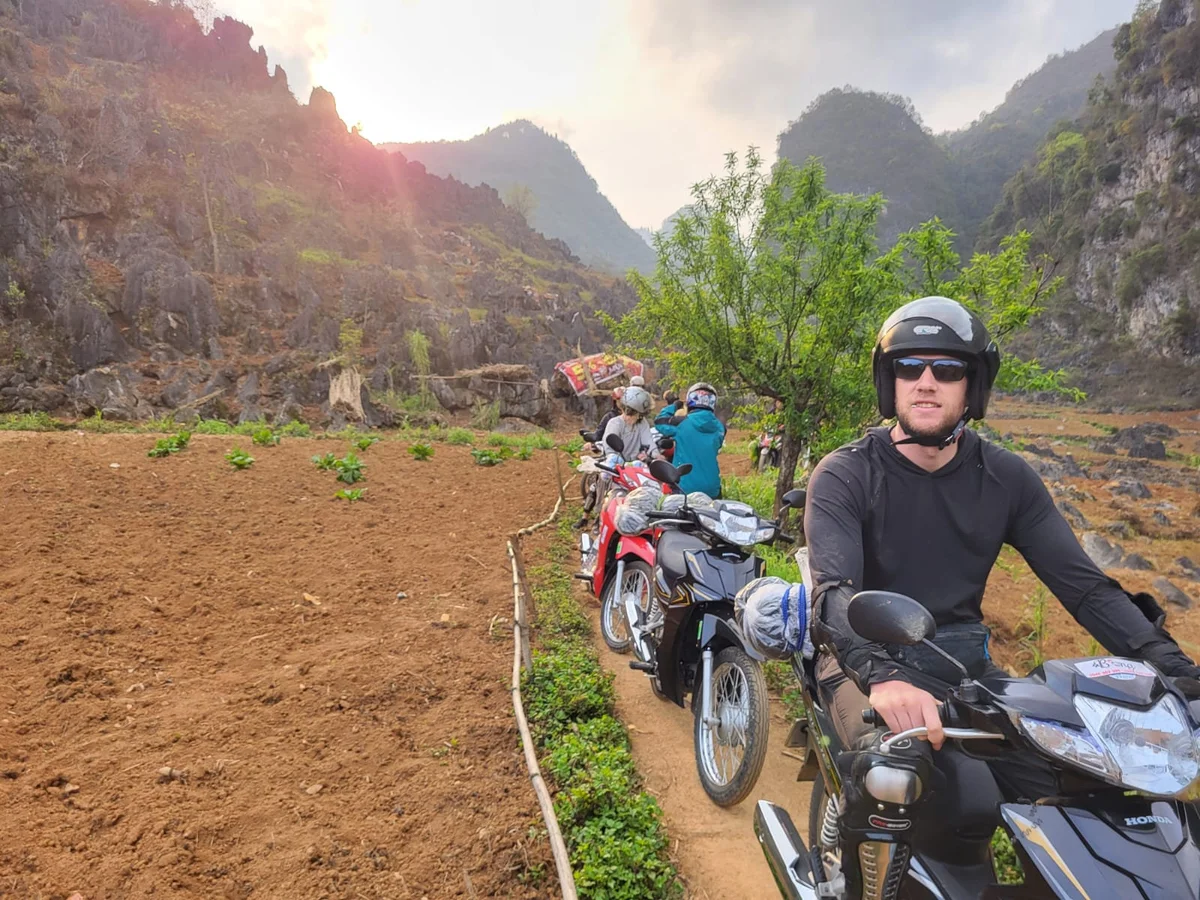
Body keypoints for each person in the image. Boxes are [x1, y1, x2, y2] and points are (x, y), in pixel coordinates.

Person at [804, 296, 1200, 830]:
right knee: (902, 778)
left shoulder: (1006, 478)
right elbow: (833, 594)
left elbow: (1086, 590)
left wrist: (1176, 670)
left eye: (946, 369)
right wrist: (881, 674)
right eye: (908, 367)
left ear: (972, 386)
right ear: (889, 381)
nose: (926, 381)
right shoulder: (846, 474)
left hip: (967, 667)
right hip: (863, 659)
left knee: (1082, 791)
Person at [654, 383, 725, 498]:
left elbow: (659, 422)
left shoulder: (681, 423)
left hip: (685, 488)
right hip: (712, 489)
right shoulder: (720, 428)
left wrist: (674, 406)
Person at [601, 385, 657, 462]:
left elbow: (648, 441)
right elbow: (610, 451)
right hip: (618, 466)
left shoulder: (642, 422)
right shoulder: (615, 424)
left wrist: (656, 455)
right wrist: (620, 462)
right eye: (634, 414)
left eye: (639, 415)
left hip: (637, 465)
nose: (638, 418)